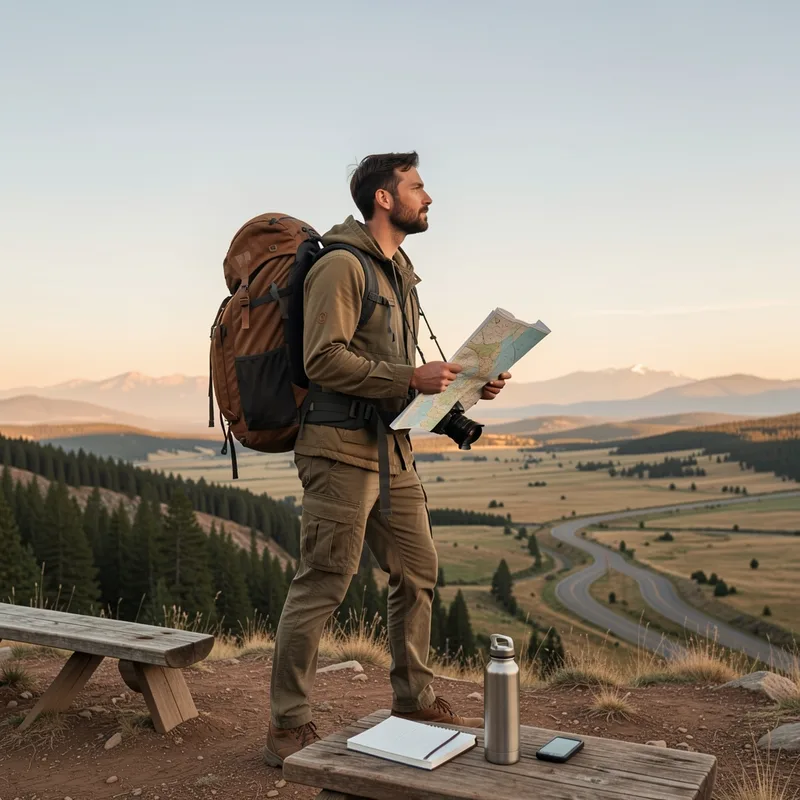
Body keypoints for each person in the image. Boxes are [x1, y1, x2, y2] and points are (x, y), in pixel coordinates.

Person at [264, 152, 511, 766]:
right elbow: (323, 360)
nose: (429, 198)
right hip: (338, 449)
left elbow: (406, 379)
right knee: (324, 582)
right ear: (383, 197)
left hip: (390, 449)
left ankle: (413, 697)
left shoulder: (399, 272)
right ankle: (287, 724)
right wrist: (410, 375)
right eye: (418, 186)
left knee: (418, 570)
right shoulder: (343, 267)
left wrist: (469, 385)